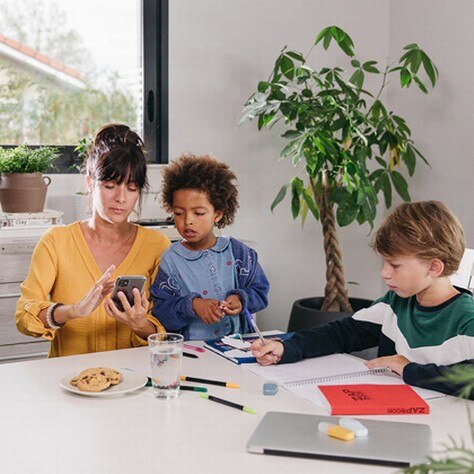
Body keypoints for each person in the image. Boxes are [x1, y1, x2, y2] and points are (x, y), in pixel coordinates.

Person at [251, 201, 474, 398]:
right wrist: (288, 348)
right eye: (384, 263)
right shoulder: (393, 304)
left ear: (434, 266)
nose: (384, 273)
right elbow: (341, 333)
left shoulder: (467, 318)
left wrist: (408, 369)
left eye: (395, 265)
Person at [15, 124, 171, 357]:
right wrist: (72, 311)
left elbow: (171, 330)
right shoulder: (56, 242)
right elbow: (24, 316)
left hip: (134, 382)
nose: (120, 198)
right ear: (89, 182)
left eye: (131, 188)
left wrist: (139, 323)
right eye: (110, 186)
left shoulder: (157, 246)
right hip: (71, 381)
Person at [149, 153, 270, 341]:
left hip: (239, 350)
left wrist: (240, 299)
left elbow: (260, 291)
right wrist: (193, 305)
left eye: (198, 213)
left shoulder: (239, 253)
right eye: (179, 213)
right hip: (193, 354)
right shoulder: (170, 261)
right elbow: (161, 311)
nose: (187, 221)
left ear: (218, 214)